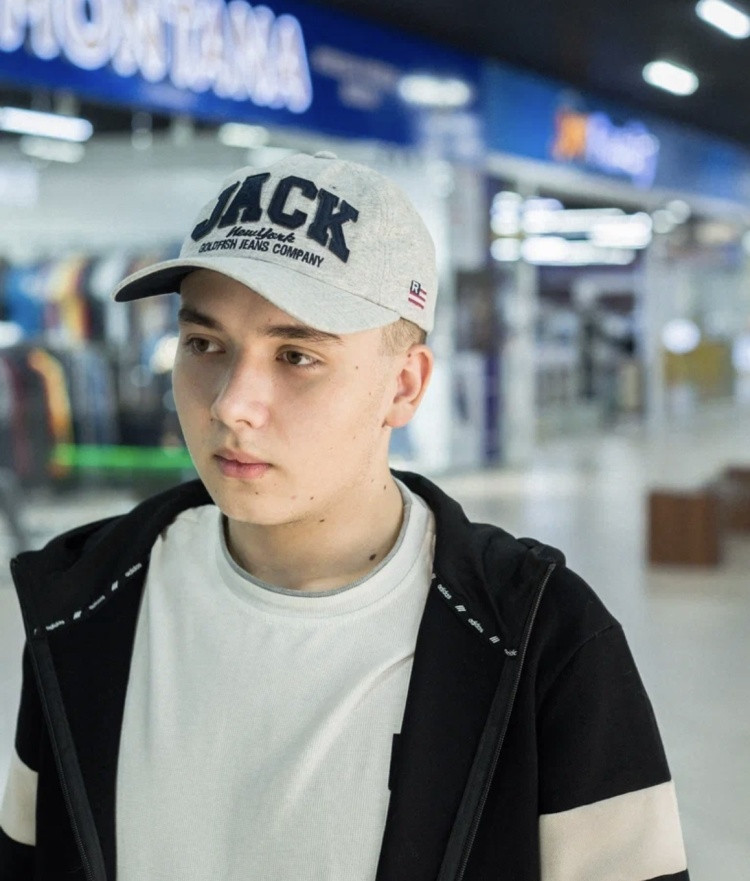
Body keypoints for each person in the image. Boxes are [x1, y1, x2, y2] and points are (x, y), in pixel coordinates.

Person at [0, 151, 689, 881]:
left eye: (296, 355)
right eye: (204, 344)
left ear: (404, 386)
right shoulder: (84, 605)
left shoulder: (543, 641)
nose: (231, 404)